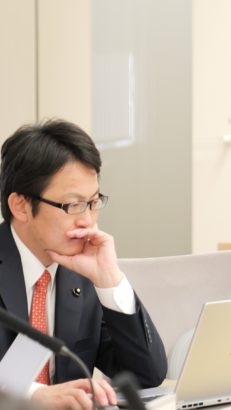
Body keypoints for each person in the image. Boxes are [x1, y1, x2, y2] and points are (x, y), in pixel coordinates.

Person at [0, 120, 167, 409]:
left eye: (93, 202)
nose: (87, 220)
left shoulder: (82, 273)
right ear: (21, 206)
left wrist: (109, 280)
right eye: (73, 205)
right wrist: (32, 395)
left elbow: (147, 375)